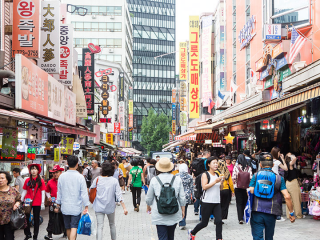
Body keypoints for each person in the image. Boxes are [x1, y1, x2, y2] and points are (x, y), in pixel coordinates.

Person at [249, 154, 295, 240]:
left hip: (257, 211)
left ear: (260, 164)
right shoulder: (279, 178)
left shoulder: (255, 176)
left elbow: (251, 190)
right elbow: (287, 196)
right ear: (273, 165)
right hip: (271, 212)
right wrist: (291, 213)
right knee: (269, 237)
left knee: (257, 237)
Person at [146, 157, 186, 240]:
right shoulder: (177, 179)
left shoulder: (154, 180)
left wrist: (148, 207)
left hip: (159, 213)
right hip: (174, 212)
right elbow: (182, 197)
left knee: (162, 237)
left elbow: (149, 198)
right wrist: (183, 209)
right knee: (171, 236)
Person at [188, 157, 224, 240]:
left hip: (217, 201)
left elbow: (220, 188)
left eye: (216, 163)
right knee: (204, 223)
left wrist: (221, 182)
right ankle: (192, 232)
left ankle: (219, 238)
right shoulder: (205, 174)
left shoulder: (218, 174)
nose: (216, 164)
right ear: (208, 164)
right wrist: (215, 181)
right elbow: (204, 187)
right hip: (206, 201)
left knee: (218, 221)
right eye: (214, 163)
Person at [90, 162, 128, 240]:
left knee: (100, 226)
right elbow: (119, 195)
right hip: (110, 207)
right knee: (112, 225)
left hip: (98, 206)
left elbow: (91, 190)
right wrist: (124, 208)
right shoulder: (114, 181)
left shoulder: (97, 179)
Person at [56, 156, 90, 240]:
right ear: (77, 164)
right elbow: (84, 193)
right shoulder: (80, 177)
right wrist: (86, 206)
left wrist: (57, 204)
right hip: (76, 206)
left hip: (65, 206)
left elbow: (59, 192)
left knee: (67, 227)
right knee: (74, 227)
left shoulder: (62, 176)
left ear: (67, 164)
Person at [21, 164, 46, 240]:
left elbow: (43, 192)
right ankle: (28, 234)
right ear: (30, 171)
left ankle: (35, 236)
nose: (33, 171)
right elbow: (24, 190)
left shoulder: (41, 180)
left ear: (38, 171)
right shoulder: (27, 180)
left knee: (36, 219)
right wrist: (21, 199)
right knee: (26, 218)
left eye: (35, 169)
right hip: (28, 201)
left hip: (37, 201)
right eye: (32, 169)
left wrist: (42, 203)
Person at [44, 165, 65, 240]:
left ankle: (65, 233)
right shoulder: (50, 182)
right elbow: (47, 191)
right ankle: (49, 234)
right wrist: (49, 197)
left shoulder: (64, 181)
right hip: (53, 203)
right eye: (54, 173)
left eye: (57, 172)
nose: (55, 174)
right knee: (51, 218)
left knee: (63, 217)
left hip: (63, 203)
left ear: (60, 172)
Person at [0, 171, 21, 240]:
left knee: (9, 238)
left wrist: (16, 204)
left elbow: (19, 199)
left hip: (9, 220)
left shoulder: (13, 190)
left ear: (7, 179)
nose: (0, 180)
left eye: (2, 178)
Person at [232, 154, 252, 224]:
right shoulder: (249, 168)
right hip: (247, 188)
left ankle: (240, 218)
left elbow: (234, 178)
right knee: (245, 201)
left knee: (239, 203)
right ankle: (244, 216)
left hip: (238, 187)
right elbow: (251, 178)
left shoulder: (236, 167)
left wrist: (234, 184)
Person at [284, 153, 302, 219]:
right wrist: (290, 155)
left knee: (289, 199)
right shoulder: (290, 164)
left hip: (287, 183)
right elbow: (295, 158)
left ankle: (289, 215)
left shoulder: (286, 164)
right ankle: (298, 214)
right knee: (296, 199)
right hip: (293, 183)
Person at [176, 163, 194, 230]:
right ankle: (183, 221)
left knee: (179, 208)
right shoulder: (189, 176)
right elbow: (191, 187)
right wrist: (193, 196)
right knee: (185, 208)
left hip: (178, 194)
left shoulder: (176, 176)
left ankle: (181, 222)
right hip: (187, 194)